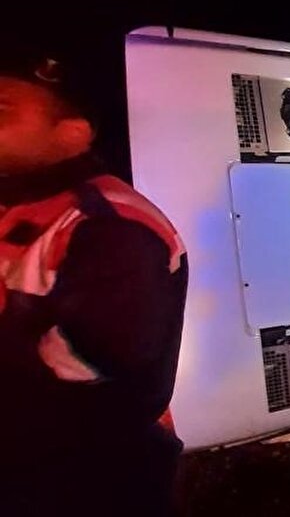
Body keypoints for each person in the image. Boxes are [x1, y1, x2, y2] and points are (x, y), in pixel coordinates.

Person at [0, 51, 188, 516]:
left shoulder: (110, 224)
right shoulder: (25, 203)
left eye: (4, 109)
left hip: (86, 479)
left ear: (73, 133)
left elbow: (98, 362)